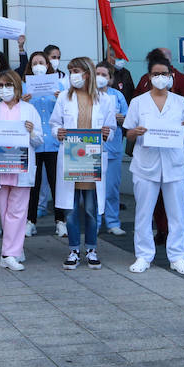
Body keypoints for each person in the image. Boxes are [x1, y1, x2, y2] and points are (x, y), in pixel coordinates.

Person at [123, 57, 184, 274]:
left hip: (174, 164)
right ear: (148, 76)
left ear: (171, 76)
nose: (160, 78)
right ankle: (144, 256)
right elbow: (128, 132)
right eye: (156, 74)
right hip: (146, 163)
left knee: (176, 214)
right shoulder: (138, 102)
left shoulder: (179, 101)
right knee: (144, 213)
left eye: (165, 73)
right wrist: (135, 133)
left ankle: (177, 257)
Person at [50, 57, 118, 270]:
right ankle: (73, 250)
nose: (73, 75)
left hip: (92, 159)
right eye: (70, 71)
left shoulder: (105, 100)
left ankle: (91, 249)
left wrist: (108, 133)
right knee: (70, 209)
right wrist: (57, 133)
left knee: (90, 208)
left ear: (87, 73)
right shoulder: (63, 97)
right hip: (71, 158)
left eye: (76, 70)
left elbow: (112, 129)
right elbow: (54, 124)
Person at [0, 70, 43, 272]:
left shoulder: (29, 109)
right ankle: (14, 249)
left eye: (8, 85)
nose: (4, 89)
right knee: (6, 212)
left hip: (21, 168)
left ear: (17, 87)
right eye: (1, 86)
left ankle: (8, 254)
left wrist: (32, 130)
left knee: (17, 212)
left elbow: (39, 141)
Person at [21, 50, 62, 238]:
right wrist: (22, 101)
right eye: (35, 62)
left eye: (42, 62)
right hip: (34, 142)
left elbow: (65, 113)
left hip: (54, 142)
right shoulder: (24, 87)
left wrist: (61, 97)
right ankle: (30, 221)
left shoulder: (59, 86)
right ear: (30, 65)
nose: (39, 66)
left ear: (48, 65)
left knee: (57, 184)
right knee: (33, 184)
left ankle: (60, 221)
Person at [94, 60, 129, 237]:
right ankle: (96, 221)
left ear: (110, 78)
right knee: (94, 188)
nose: (100, 78)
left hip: (113, 149)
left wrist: (120, 118)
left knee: (112, 188)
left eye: (104, 75)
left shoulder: (117, 96)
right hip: (91, 150)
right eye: (97, 74)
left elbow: (129, 119)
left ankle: (113, 222)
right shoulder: (88, 94)